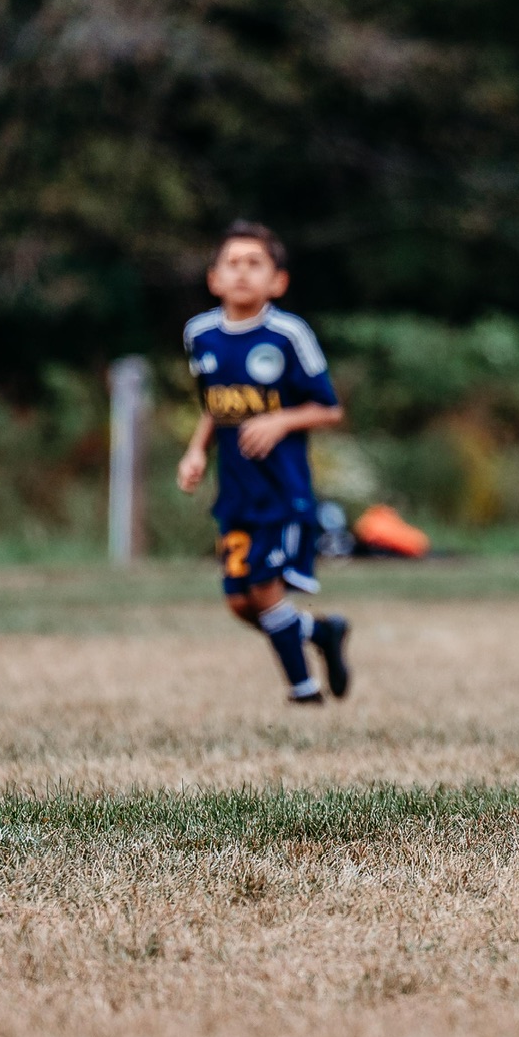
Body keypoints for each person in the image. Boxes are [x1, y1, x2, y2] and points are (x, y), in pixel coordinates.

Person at [176, 222, 353, 704]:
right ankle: (321, 632)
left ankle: (304, 692)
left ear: (278, 281)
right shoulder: (200, 334)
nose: (242, 273)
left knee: (264, 588)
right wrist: (196, 450)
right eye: (232, 263)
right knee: (240, 602)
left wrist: (281, 421)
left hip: (282, 492)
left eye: (255, 264)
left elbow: (329, 409)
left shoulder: (289, 334)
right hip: (235, 494)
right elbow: (213, 405)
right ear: (214, 279)